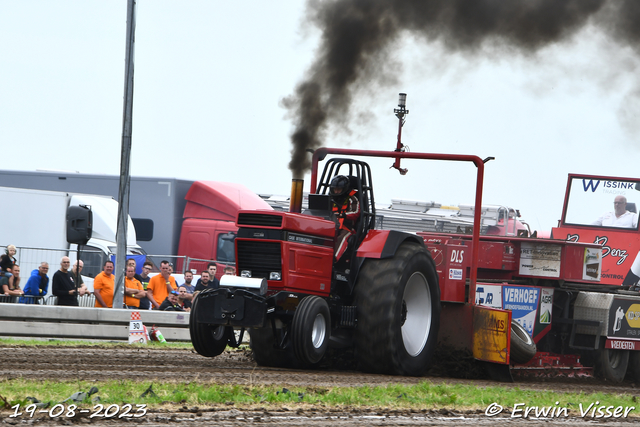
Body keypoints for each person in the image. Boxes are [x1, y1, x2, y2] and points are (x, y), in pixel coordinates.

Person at [330, 175, 361, 261]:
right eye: (334, 189)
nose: (336, 192)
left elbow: (355, 212)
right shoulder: (329, 198)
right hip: (330, 225)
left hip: (347, 228)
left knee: (342, 237)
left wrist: (342, 215)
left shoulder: (353, 199)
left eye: (338, 189)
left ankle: (333, 259)